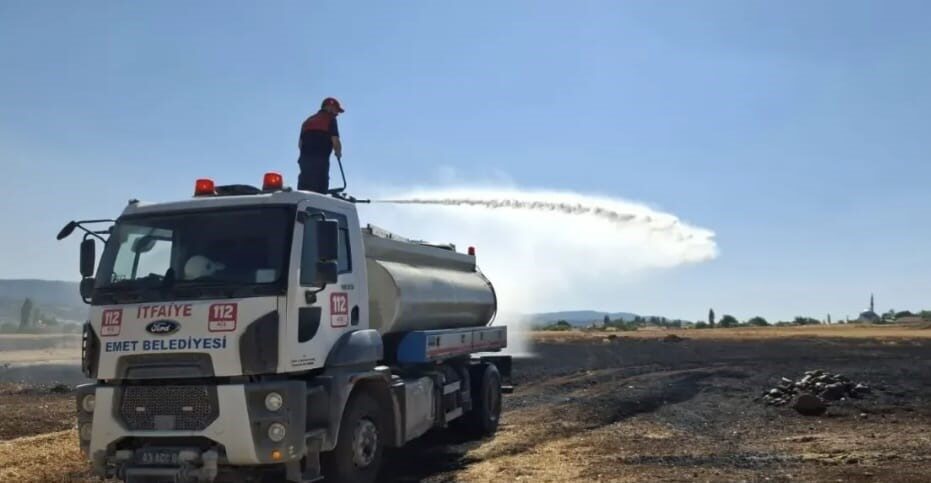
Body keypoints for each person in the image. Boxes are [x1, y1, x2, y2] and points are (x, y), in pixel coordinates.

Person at [297, 97, 344, 193]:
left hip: (304, 161)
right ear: (329, 107)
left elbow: (300, 144)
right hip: (320, 162)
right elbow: (335, 140)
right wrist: (338, 152)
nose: (337, 114)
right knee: (319, 193)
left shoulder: (307, 121)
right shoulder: (330, 119)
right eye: (336, 110)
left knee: (304, 189)